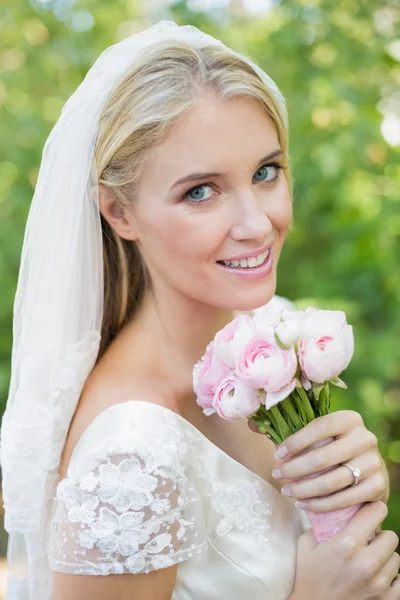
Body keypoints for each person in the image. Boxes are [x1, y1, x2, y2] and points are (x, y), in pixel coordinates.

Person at [0, 19, 398, 600]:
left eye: (266, 172)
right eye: (200, 191)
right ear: (119, 213)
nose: (257, 224)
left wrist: (348, 499)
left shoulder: (267, 336)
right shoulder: (129, 458)